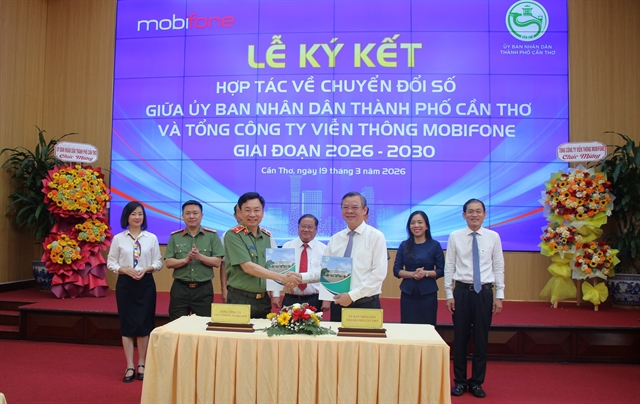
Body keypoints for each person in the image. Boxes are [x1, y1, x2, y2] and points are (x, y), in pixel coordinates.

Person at [445, 199, 505, 399]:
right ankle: (460, 381)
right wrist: (449, 294)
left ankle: (477, 382)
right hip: (461, 292)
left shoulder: (493, 237)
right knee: (460, 339)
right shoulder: (455, 236)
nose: (474, 215)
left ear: (484, 214)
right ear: (464, 215)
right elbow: (449, 266)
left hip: (484, 293)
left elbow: (498, 266)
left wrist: (499, 295)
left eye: (478, 211)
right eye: (470, 211)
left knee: (481, 339)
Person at [107, 201, 163, 383]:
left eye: (140, 214)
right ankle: (129, 364)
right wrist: (124, 269)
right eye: (133, 214)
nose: (137, 217)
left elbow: (158, 262)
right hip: (125, 284)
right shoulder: (118, 239)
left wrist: (147, 269)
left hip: (145, 283)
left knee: (144, 323)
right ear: (127, 217)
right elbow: (111, 263)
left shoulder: (151, 238)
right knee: (127, 324)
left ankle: (141, 363)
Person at [224, 192, 299, 318]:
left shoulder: (266, 236)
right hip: (241, 299)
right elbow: (248, 267)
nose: (252, 214)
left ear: (263, 213)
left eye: (257, 210)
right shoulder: (233, 235)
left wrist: (287, 284)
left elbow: (275, 266)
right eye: (247, 210)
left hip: (263, 299)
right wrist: (283, 278)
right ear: (240, 212)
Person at [323, 191, 387, 322]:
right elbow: (324, 270)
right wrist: (301, 277)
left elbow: (379, 273)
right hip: (339, 302)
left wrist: (352, 296)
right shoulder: (336, 239)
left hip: (366, 303)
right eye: (345, 207)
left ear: (364, 210)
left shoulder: (376, 236)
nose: (349, 211)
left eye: (354, 207)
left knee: (365, 336)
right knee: (338, 336)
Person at [165, 200, 224, 321]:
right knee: (176, 324)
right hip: (180, 288)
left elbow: (217, 262)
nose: (191, 216)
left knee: (203, 325)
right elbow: (168, 262)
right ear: (183, 216)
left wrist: (199, 257)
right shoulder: (175, 237)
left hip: (203, 289)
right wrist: (185, 260)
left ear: (201, 215)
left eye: (195, 213)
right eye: (188, 213)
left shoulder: (212, 236)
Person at [393, 210, 444, 325]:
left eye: (420, 222)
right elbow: (396, 270)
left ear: (426, 226)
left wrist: (425, 273)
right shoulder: (404, 245)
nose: (416, 225)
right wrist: (411, 274)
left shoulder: (435, 245)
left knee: (428, 327)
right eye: (413, 223)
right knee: (408, 327)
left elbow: (441, 270)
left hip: (428, 294)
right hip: (408, 294)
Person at [281, 214, 326, 310]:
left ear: (316, 229)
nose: (306, 230)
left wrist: (327, 300)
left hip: (315, 299)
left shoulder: (324, 249)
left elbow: (325, 275)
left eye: (310, 227)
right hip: (290, 297)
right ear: (298, 227)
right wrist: (276, 294)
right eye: (303, 226)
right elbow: (280, 271)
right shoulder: (287, 246)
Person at [219, 204, 243, 303]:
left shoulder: (265, 235)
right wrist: (224, 288)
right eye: (240, 212)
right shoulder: (227, 235)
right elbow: (224, 264)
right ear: (235, 215)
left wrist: (273, 291)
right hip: (236, 290)